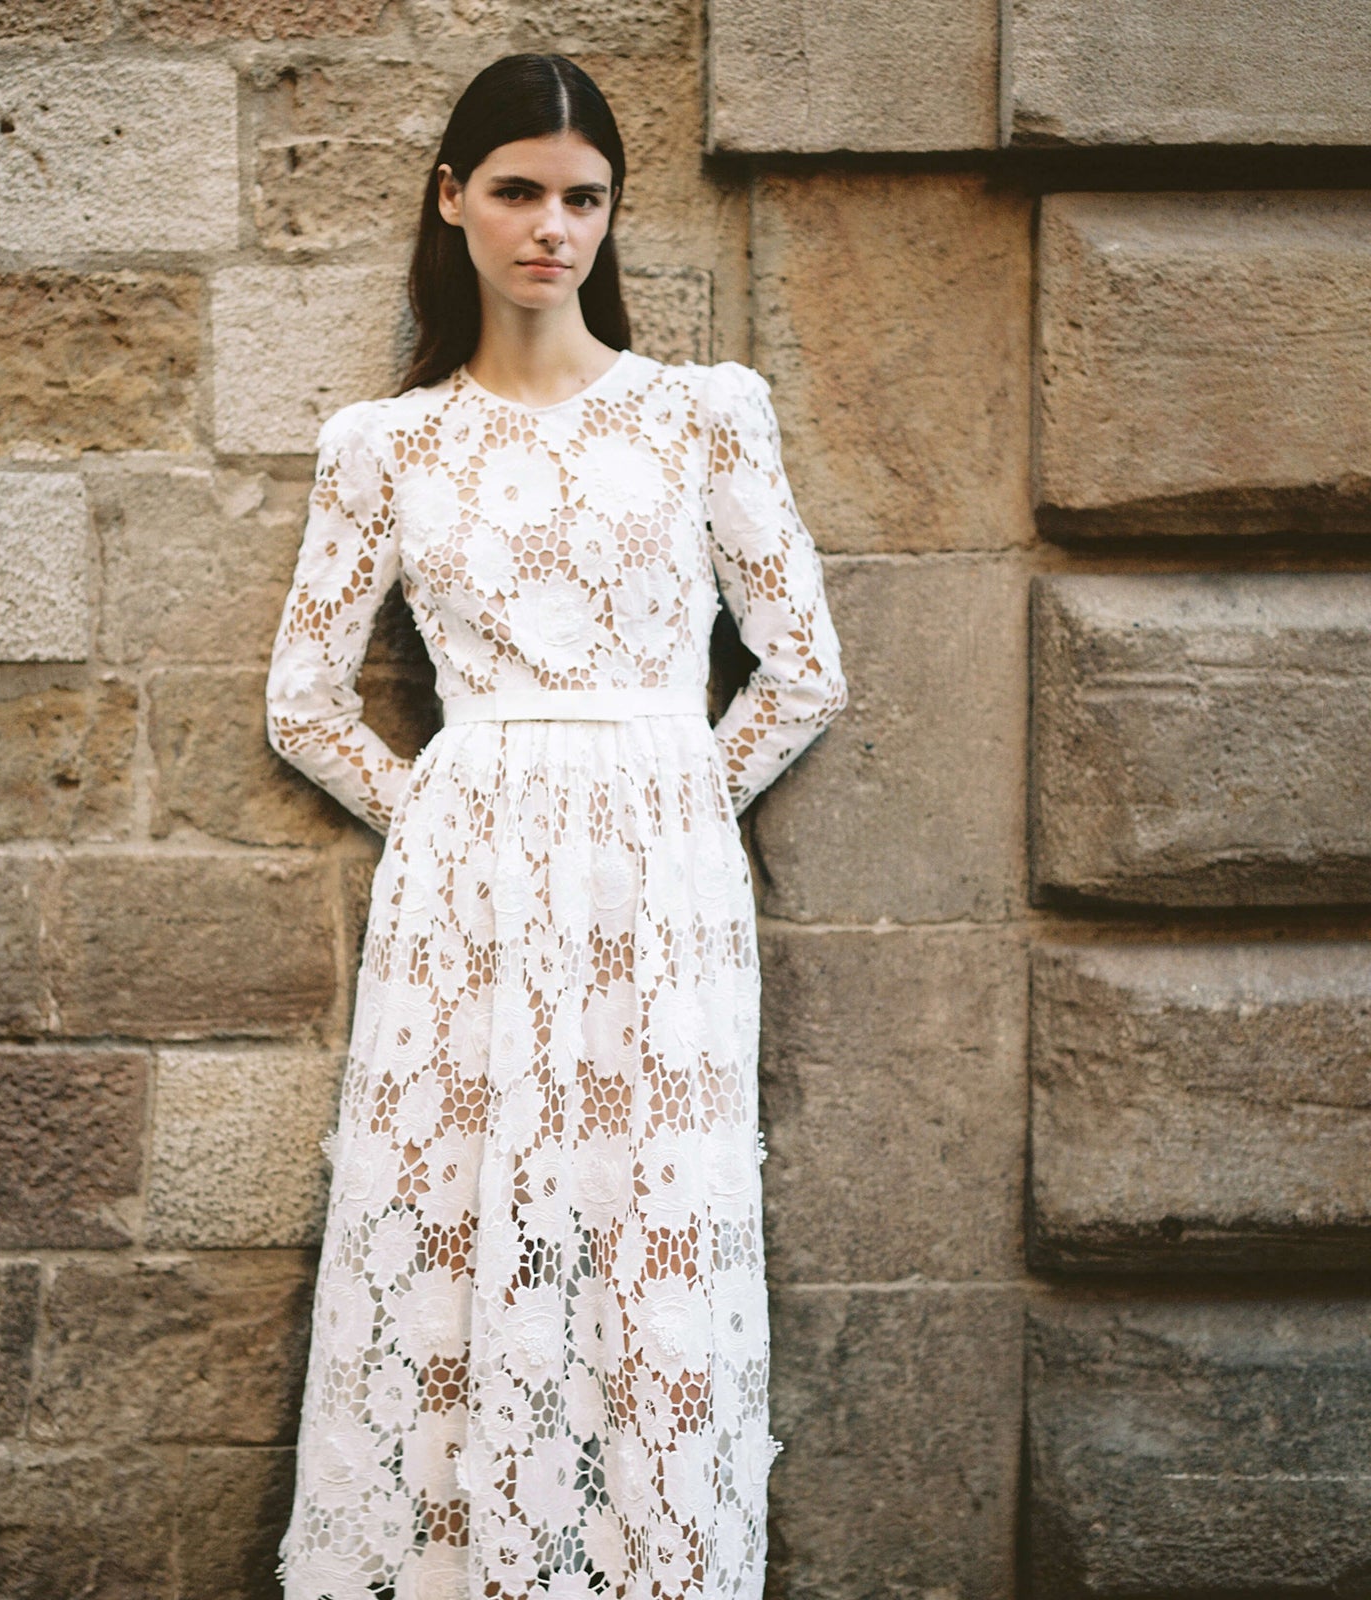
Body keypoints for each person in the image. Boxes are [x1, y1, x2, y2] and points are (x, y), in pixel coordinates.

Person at [264, 50, 847, 1600]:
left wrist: (663, 809)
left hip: (662, 901)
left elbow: (804, 673)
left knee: (651, 1236)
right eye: (517, 190)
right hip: (467, 900)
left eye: (583, 198)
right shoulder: (386, 448)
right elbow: (305, 702)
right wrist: (451, 810)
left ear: (611, 217)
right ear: (451, 199)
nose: (552, 227)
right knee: (457, 1222)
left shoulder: (700, 420)